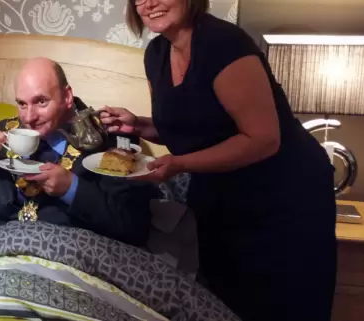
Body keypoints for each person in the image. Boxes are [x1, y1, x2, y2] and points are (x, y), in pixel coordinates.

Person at [99, 0, 337, 319]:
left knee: (285, 306)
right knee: (227, 303)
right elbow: (193, 129)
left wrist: (179, 164)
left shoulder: (224, 44)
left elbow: (263, 139)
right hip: (220, 198)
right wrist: (141, 125)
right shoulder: (155, 54)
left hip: (284, 197)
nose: (149, 3)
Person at [0, 57, 157, 247]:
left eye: (41, 101)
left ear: (67, 96)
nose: (29, 117)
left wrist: (72, 189)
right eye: (22, 104)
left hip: (69, 261)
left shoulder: (113, 140)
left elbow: (134, 228)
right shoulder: (2, 136)